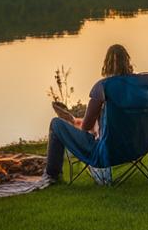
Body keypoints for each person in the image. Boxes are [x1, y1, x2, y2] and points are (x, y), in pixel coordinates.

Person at [45, 43, 136, 181]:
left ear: (107, 64)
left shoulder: (102, 88)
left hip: (104, 151)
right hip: (133, 147)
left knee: (56, 124)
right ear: (127, 62)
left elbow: (86, 127)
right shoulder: (137, 87)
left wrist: (84, 126)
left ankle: (52, 175)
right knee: (84, 124)